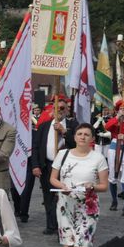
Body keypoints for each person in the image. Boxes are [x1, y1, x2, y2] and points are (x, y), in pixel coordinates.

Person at [49, 123, 109, 247]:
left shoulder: (98, 158)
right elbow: (52, 178)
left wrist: (92, 186)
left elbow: (104, 186)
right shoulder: (62, 154)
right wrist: (62, 186)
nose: (83, 137)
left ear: (92, 139)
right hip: (66, 204)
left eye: (87, 134)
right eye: (80, 133)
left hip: (88, 206)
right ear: (74, 137)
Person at [31, 95, 77, 235]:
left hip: (66, 168)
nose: (59, 110)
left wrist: (64, 132)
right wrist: (35, 165)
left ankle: (63, 225)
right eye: (57, 107)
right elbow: (36, 146)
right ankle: (51, 225)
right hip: (48, 166)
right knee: (48, 196)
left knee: (63, 196)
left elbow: (77, 145)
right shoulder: (44, 126)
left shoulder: (73, 126)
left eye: (62, 108)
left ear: (67, 110)